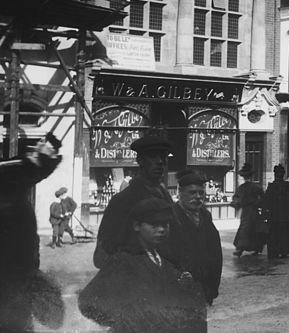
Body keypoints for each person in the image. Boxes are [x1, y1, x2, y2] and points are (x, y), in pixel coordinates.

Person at [79, 197, 207, 333]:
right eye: (154, 224)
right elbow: (86, 301)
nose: (162, 229)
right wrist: (121, 322)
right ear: (136, 226)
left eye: (165, 224)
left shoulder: (166, 261)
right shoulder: (123, 261)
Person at [0, 133, 64, 333]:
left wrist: (45, 151)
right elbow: (29, 167)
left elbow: (31, 167)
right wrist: (45, 151)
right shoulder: (8, 176)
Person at [94, 134, 174, 269]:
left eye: (163, 157)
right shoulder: (122, 201)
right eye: (153, 156)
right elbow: (101, 257)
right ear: (140, 160)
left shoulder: (166, 197)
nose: (160, 161)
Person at [167, 170, 222, 306]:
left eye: (201, 193)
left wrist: (212, 288)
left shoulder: (205, 216)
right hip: (179, 291)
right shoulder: (170, 218)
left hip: (204, 288)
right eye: (192, 193)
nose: (198, 197)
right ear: (180, 193)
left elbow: (215, 254)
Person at [262, 164, 289, 259]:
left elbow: (266, 202)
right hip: (286, 216)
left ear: (275, 174)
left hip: (274, 216)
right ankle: (284, 251)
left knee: (274, 235)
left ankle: (275, 251)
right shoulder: (288, 186)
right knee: (285, 234)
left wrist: (264, 214)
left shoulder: (271, 187)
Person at [230, 162, 265, 257]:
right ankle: (256, 248)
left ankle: (240, 248)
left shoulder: (241, 188)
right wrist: (258, 204)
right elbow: (263, 198)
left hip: (245, 211)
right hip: (254, 211)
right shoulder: (256, 187)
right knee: (255, 229)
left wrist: (236, 204)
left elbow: (236, 199)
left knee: (244, 229)